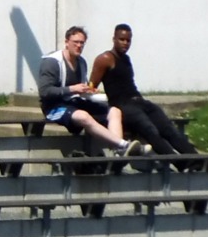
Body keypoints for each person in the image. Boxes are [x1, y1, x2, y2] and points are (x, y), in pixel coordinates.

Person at [90, 24, 200, 158]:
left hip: (138, 101)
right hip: (122, 105)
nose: (125, 43)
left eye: (128, 40)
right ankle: (179, 162)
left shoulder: (126, 59)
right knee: (150, 131)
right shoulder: (105, 59)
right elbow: (91, 86)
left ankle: (195, 158)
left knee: (167, 128)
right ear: (114, 39)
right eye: (121, 39)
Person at [37, 27, 148, 157]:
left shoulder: (81, 62)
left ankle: (118, 153)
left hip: (75, 103)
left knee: (114, 111)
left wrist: (89, 91)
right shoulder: (52, 62)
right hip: (54, 107)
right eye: (75, 42)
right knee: (83, 116)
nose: (79, 46)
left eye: (82, 43)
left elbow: (80, 91)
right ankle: (123, 145)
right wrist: (72, 89)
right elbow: (44, 91)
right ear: (66, 42)